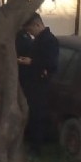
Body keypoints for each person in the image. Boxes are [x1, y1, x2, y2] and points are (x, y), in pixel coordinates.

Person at [18, 13, 59, 154]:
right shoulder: (38, 40)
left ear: (37, 24)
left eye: (30, 30)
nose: (30, 33)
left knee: (38, 115)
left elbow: (51, 64)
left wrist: (32, 62)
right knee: (32, 114)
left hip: (41, 84)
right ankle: (31, 143)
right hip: (32, 82)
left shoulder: (49, 41)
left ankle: (36, 147)